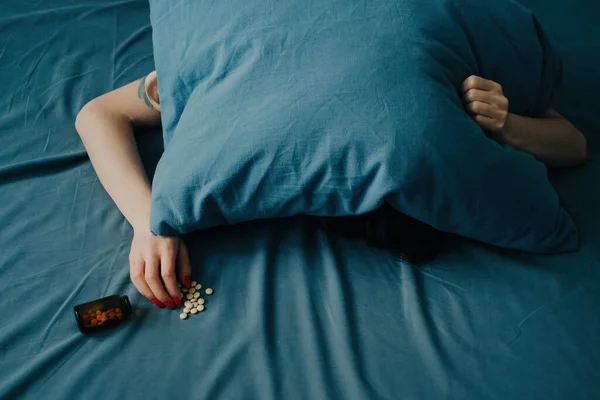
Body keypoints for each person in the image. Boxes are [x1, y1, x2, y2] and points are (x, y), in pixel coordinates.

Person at [75, 71, 587, 309]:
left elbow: (573, 144)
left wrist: (506, 124)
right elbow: (99, 114)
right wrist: (148, 220)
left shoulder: (435, 39)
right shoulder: (236, 59)